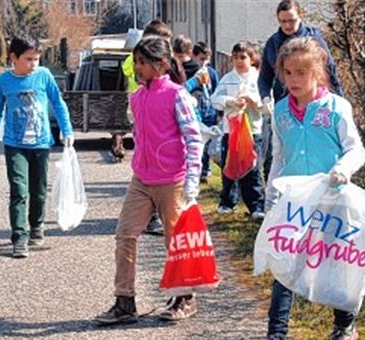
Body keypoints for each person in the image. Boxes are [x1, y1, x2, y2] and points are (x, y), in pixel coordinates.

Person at [254, 37, 365, 340]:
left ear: (317, 72)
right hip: (294, 202)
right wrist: (271, 195)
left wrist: (343, 169)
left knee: (337, 263)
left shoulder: (336, 108)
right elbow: (278, 157)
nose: (294, 80)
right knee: (285, 268)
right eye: (288, 72)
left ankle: (344, 327)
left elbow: (356, 149)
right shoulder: (281, 112)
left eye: (302, 72)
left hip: (333, 200)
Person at [94, 36, 203, 325]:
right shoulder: (137, 96)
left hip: (173, 180)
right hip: (142, 179)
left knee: (175, 240)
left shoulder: (177, 95)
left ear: (162, 64)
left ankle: (184, 297)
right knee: (125, 234)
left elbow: (193, 138)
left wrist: (193, 178)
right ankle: (124, 301)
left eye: (142, 62)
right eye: (136, 62)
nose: (137, 68)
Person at [0, 35, 74, 258]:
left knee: (39, 190)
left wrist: (67, 130)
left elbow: (58, 102)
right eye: (28, 59)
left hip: (41, 143)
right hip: (15, 144)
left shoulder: (43, 76)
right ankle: (19, 236)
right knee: (18, 191)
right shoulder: (4, 81)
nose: (34, 64)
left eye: (36, 59)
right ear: (14, 58)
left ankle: (37, 226)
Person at [257, 0, 344, 180]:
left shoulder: (315, 38)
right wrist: (265, 97)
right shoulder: (273, 44)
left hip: (315, 106)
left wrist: (339, 99)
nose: (288, 25)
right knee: (278, 154)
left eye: (292, 20)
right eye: (283, 21)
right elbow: (264, 78)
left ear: (301, 16)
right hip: (286, 108)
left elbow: (330, 70)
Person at [119, 19, 174, 236]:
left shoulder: (166, 72)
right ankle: (150, 214)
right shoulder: (136, 62)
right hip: (140, 108)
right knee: (145, 158)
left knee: (158, 162)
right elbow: (127, 69)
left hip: (159, 112)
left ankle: (156, 213)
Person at [210, 41, 266, 219]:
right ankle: (228, 202)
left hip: (252, 131)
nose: (239, 61)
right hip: (231, 130)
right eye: (235, 58)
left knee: (252, 168)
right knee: (230, 166)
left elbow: (267, 105)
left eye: (243, 57)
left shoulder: (259, 79)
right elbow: (215, 99)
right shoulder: (228, 78)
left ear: (252, 59)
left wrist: (253, 101)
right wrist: (229, 101)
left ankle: (256, 205)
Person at [189, 40, 221, 183]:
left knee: (208, 143)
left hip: (210, 111)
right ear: (193, 56)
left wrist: (218, 112)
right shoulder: (190, 71)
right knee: (196, 141)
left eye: (206, 59)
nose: (204, 63)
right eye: (201, 59)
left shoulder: (211, 73)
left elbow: (217, 91)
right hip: (196, 112)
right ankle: (196, 168)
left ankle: (205, 170)